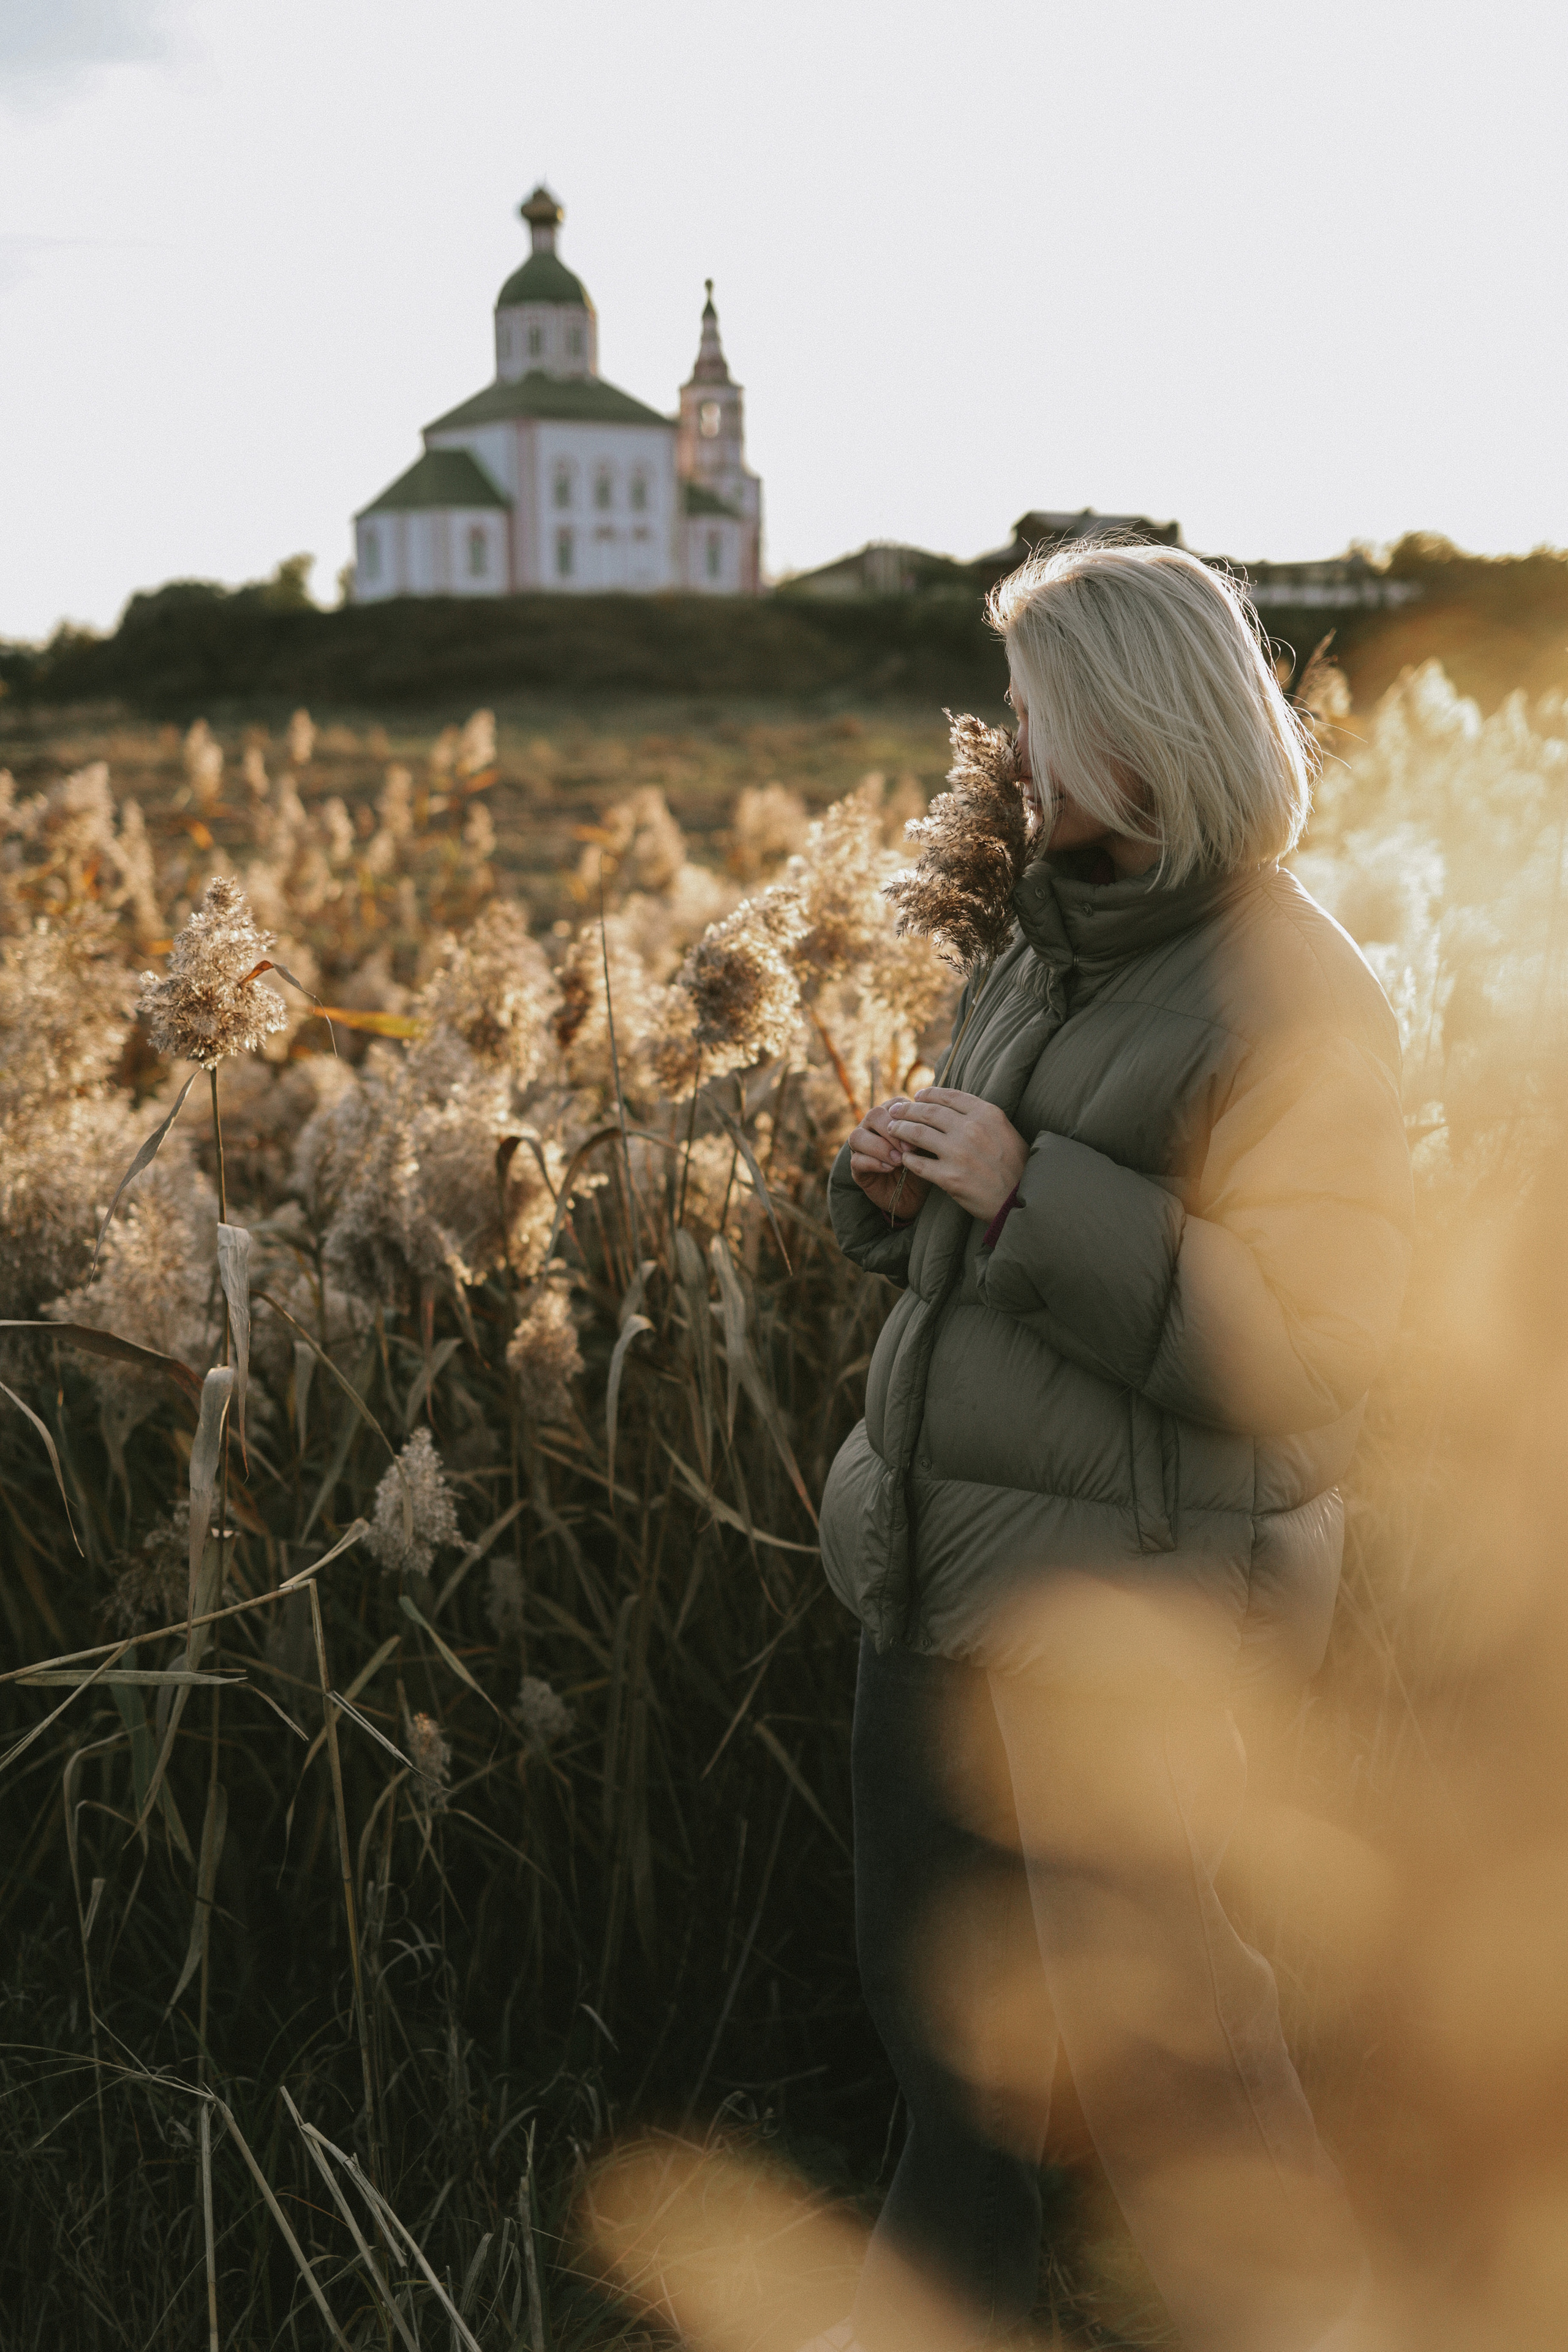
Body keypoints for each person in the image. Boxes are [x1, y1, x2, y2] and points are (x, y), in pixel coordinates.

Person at [811, 543, 1412, 2352]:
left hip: (1130, 1615)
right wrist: (893, 1186)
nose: (1009, 747)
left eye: (1037, 713)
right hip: (941, 1565)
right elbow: (981, 1236)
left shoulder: (1298, 995)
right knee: (943, 2031)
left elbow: (1307, 1347)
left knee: (1174, 2058)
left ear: (1141, 733)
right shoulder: (1048, 938)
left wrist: (1025, 1188)